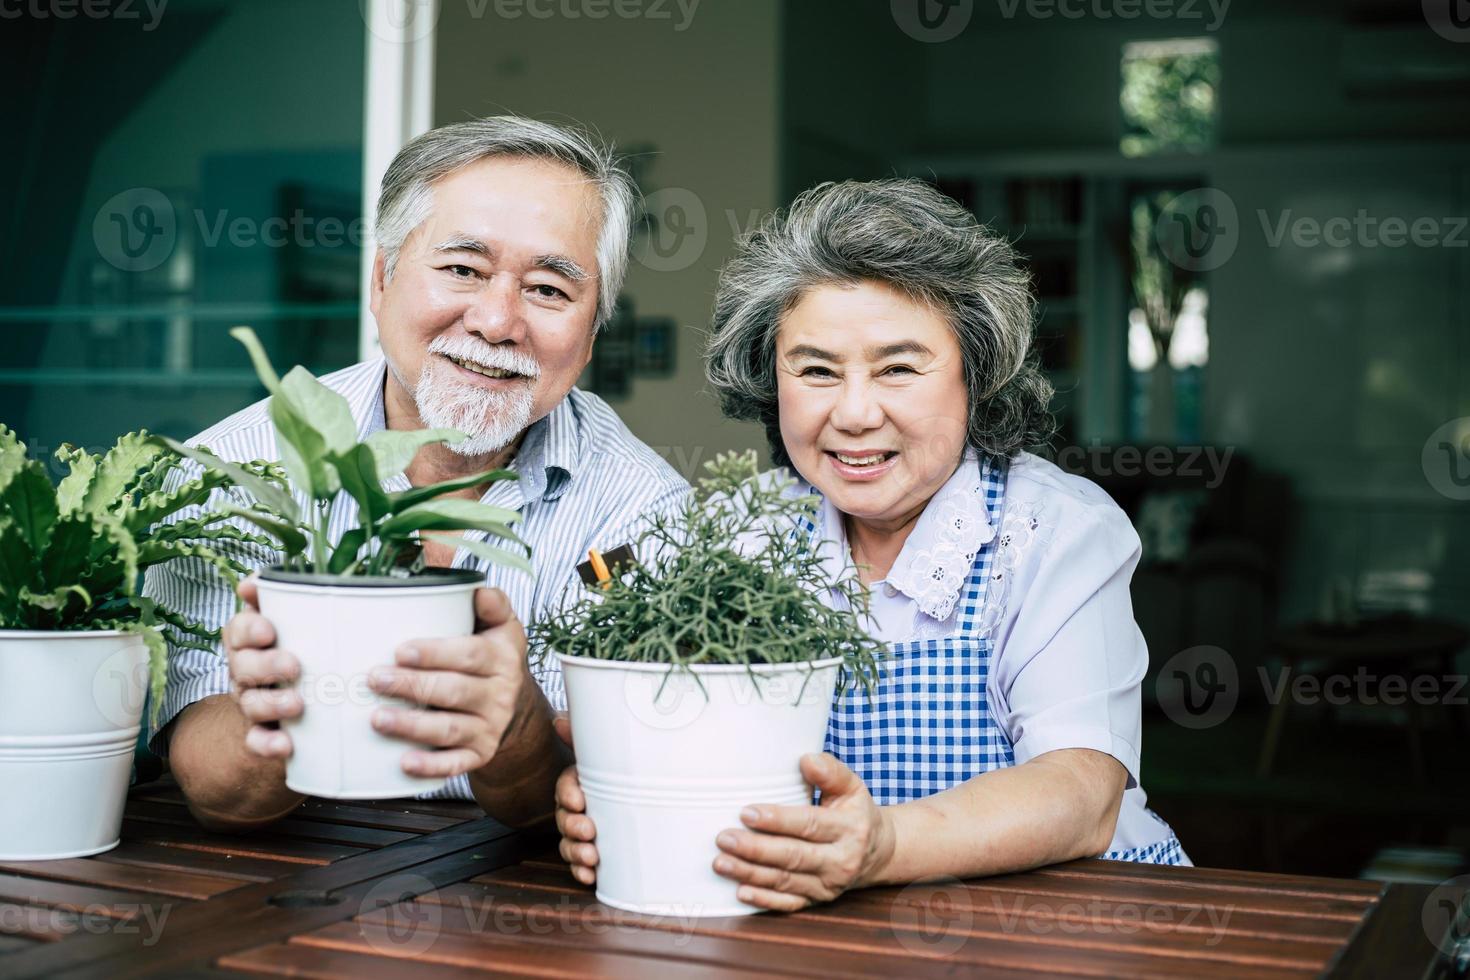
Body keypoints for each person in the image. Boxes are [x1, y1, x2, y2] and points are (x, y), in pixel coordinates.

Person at [553, 177, 1189, 912]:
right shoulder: (745, 530)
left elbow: (1081, 791)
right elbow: (692, 740)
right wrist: (610, 788)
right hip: (838, 927)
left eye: (898, 368)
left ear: (975, 377)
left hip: (1062, 922)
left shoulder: (1055, 531)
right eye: (816, 370)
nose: (854, 414)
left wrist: (882, 844)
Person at [146, 116, 687, 832]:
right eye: (462, 269)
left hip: (517, 891)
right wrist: (278, 709)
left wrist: (517, 724)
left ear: (590, 336)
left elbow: (570, 801)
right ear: (381, 280)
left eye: (549, 289)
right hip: (271, 873)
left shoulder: (642, 514)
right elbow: (215, 791)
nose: (497, 322)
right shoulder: (234, 474)